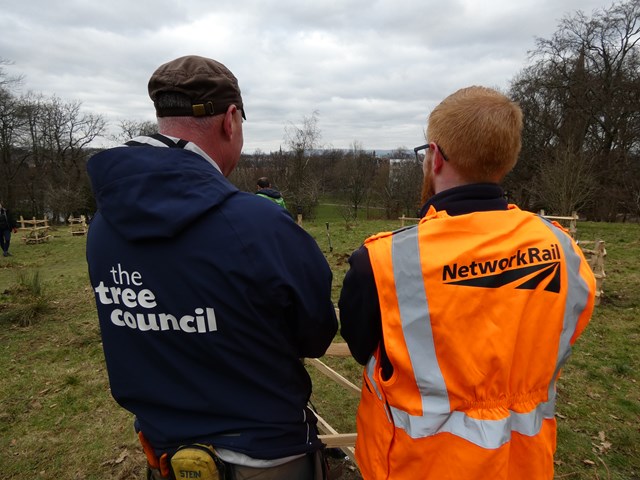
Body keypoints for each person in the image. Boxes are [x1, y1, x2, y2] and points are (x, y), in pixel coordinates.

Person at [85, 55, 338, 480]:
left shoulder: (105, 225)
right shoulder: (260, 225)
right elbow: (315, 334)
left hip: (165, 453)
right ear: (231, 119)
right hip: (267, 457)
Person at [338, 86, 596, 480]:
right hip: (525, 466)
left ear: (435, 157)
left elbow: (362, 349)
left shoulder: (381, 262)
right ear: (506, 161)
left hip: (416, 469)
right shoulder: (563, 249)